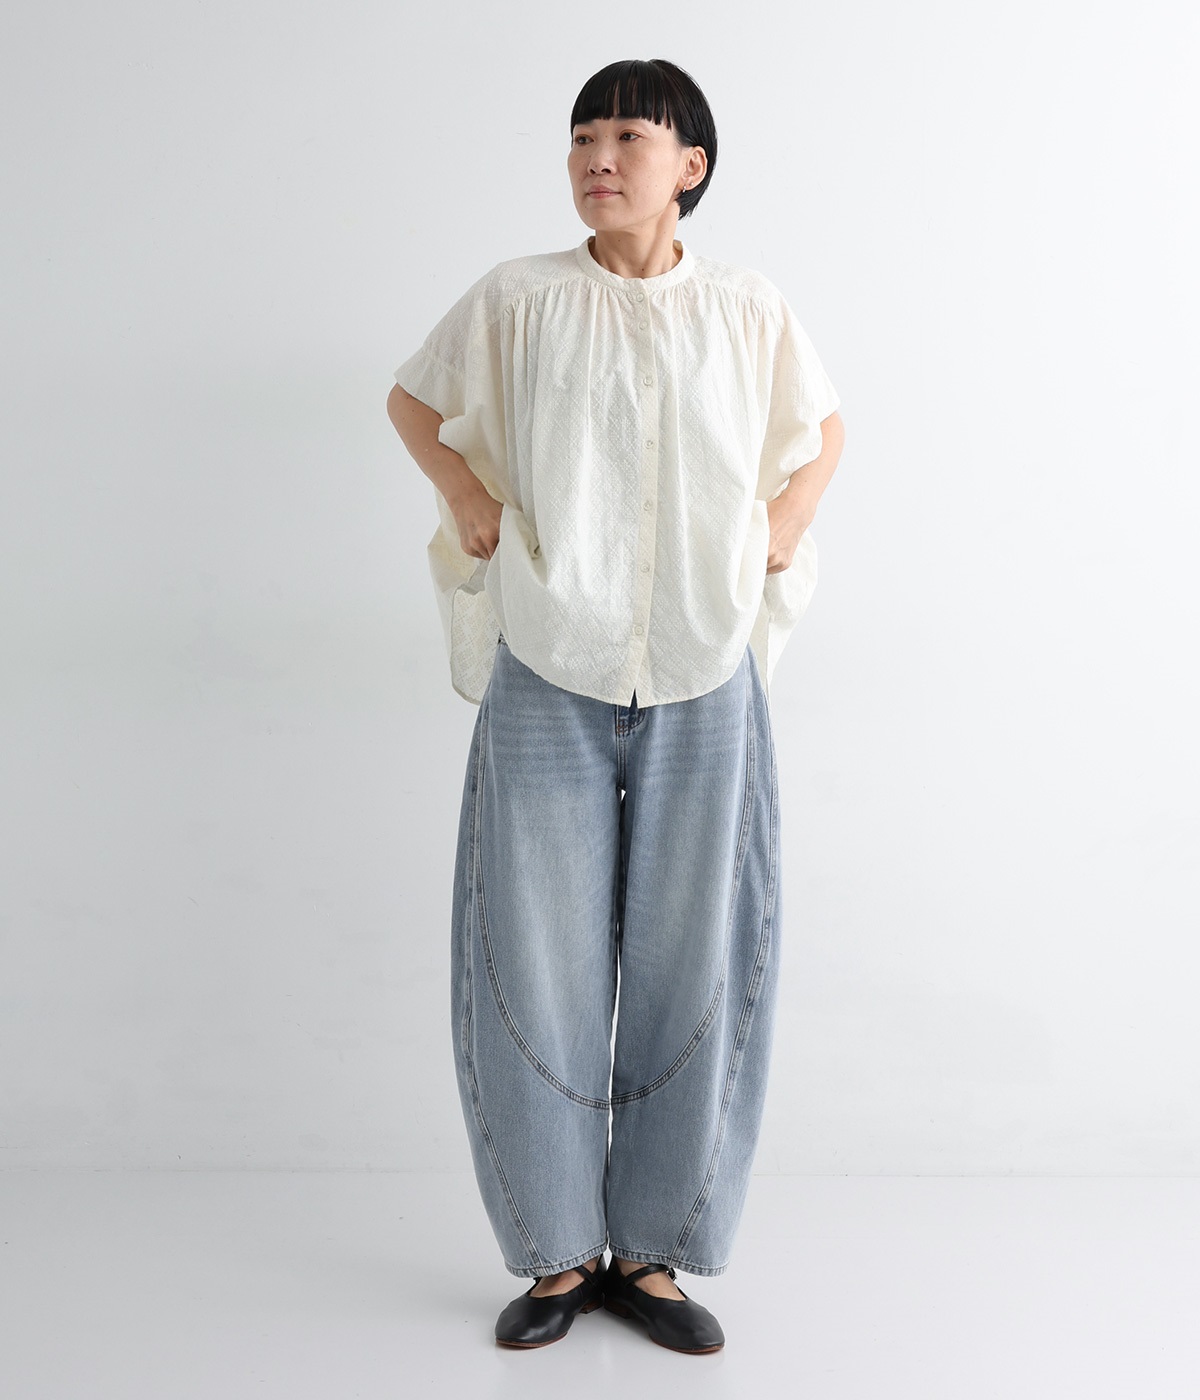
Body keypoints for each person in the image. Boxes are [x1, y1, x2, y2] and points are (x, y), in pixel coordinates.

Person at [386, 57, 845, 1354]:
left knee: (698, 954)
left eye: (627, 135)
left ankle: (652, 1254)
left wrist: (785, 520)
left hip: (706, 660)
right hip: (551, 655)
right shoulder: (520, 298)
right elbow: (414, 399)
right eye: (582, 136)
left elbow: (822, 429)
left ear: (689, 164)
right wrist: (467, 496)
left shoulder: (748, 307)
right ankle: (554, 1255)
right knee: (529, 954)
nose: (598, 157)